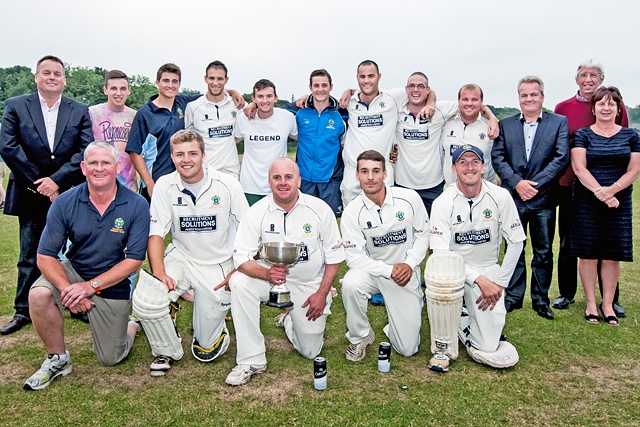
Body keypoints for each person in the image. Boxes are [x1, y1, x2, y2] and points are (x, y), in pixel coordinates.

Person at [22, 141, 149, 390]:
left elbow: (134, 260)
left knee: (111, 358)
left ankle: (132, 324)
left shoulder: (136, 204)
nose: (99, 168)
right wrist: (71, 289)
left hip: (112, 282)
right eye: (93, 163)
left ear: (117, 166)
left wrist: (89, 287)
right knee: (39, 294)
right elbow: (45, 255)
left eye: (105, 163)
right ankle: (58, 358)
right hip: (75, 272)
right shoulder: (65, 202)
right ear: (83, 167)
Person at [132, 129, 248, 376]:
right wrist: (159, 272)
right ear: (172, 157)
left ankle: (214, 328)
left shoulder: (227, 184)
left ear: (203, 155)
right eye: (180, 154)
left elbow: (246, 232)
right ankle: (166, 349)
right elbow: (156, 233)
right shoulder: (165, 184)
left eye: (192, 153)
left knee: (206, 349)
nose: (186, 159)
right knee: (151, 295)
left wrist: (237, 271)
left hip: (218, 264)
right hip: (181, 257)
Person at [225, 157, 344, 386]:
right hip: (271, 281)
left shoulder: (319, 209)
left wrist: (322, 293)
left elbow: (335, 256)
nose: (283, 182)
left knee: (310, 351)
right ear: (269, 181)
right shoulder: (257, 211)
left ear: (298, 181)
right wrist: (266, 274)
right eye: (277, 177)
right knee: (240, 282)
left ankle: (290, 320)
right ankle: (251, 359)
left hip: (309, 284)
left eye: (288, 177)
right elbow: (241, 257)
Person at [0, 55, 93, 335]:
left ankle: (75, 302)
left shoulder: (78, 109)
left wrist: (57, 180)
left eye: (57, 73)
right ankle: (23, 310)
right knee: (30, 253)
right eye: (46, 73)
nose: (52, 77)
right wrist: (42, 183)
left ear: (65, 79)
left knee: (78, 252)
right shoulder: (16, 106)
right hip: (30, 191)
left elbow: (84, 150)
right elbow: (8, 147)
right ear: (36, 77)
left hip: (69, 192)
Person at [428, 145, 525, 372]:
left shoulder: (500, 195)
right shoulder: (444, 201)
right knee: (443, 280)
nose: (469, 167)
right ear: (453, 168)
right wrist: (479, 279)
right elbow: (440, 254)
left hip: (489, 269)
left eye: (474, 161)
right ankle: (443, 345)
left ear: (483, 166)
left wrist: (500, 282)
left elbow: (517, 241)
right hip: (452, 271)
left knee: (488, 346)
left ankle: (463, 320)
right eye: (462, 162)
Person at [553, 60, 629, 317]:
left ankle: (611, 300)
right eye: (583, 75)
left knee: (609, 245)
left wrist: (612, 188)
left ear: (601, 79)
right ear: (576, 80)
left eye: (594, 75)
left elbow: (624, 142)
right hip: (570, 183)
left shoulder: (613, 104)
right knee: (569, 241)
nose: (588, 79)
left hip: (611, 184)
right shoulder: (563, 108)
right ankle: (567, 293)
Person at [491, 76, 570, 320]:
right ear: (519, 98)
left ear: (542, 97)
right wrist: (517, 183)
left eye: (533, 94)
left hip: (543, 199)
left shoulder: (558, 122)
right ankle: (514, 297)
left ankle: (540, 299)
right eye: (524, 95)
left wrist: (534, 185)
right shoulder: (506, 125)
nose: (529, 99)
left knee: (543, 252)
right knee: (514, 248)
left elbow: (561, 157)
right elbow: (498, 157)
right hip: (514, 199)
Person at [340, 150, 429, 361]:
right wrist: (388, 270)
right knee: (350, 284)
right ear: (357, 175)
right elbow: (353, 258)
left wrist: (408, 264)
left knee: (407, 349)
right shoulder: (352, 211)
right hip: (374, 272)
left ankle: (400, 317)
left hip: (405, 273)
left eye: (375, 171)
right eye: (364, 171)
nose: (370, 177)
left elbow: (423, 235)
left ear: (385, 174)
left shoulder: (408, 198)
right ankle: (360, 336)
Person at [570, 86, 639, 326]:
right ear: (594, 108)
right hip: (587, 200)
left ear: (618, 108)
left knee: (612, 254)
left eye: (611, 104)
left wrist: (612, 191)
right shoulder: (583, 134)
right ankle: (590, 303)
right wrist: (600, 192)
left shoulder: (630, 136)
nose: (606, 108)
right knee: (588, 253)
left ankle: (607, 304)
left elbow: (635, 169)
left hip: (618, 201)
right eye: (601, 104)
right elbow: (579, 168)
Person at [126, 63, 244, 201]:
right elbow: (134, 152)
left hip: (183, 180)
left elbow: (214, 92)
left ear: (179, 84)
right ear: (157, 82)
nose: (170, 85)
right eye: (166, 81)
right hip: (156, 182)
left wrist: (233, 93)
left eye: (174, 81)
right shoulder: (145, 113)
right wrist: (149, 182)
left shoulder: (183, 103)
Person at [389, 74, 498, 215]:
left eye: (421, 86)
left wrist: (492, 117)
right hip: (403, 184)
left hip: (434, 186)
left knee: (435, 232)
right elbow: (373, 93)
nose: (416, 89)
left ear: (428, 90)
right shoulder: (397, 109)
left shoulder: (441, 109)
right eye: (412, 86)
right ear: (406, 89)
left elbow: (472, 106)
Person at [281, 69, 347, 217]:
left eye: (324, 85)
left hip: (331, 180)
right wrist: (252, 105)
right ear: (310, 88)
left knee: (329, 222)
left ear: (331, 86)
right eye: (316, 85)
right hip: (304, 180)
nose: (320, 89)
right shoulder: (298, 110)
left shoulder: (343, 113)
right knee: (304, 221)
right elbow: (270, 110)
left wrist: (350, 90)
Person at [340, 60, 399, 206]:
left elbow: (423, 92)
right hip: (353, 173)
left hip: (381, 172)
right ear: (357, 78)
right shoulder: (349, 102)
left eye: (371, 76)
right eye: (362, 76)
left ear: (379, 76)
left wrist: (430, 103)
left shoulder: (393, 98)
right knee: (353, 221)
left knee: (385, 221)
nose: (366, 81)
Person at [234, 79, 298, 205]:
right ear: (254, 98)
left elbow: (302, 138)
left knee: (279, 223)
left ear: (276, 98)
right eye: (260, 96)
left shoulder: (287, 118)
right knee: (252, 224)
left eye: (269, 96)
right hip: (250, 186)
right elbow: (232, 142)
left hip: (279, 185)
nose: (265, 101)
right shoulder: (243, 119)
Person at [185, 60, 241, 180]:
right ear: (205, 79)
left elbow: (258, 108)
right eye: (211, 78)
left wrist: (253, 105)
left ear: (226, 80)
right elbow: (189, 141)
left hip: (230, 172)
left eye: (220, 79)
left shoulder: (237, 104)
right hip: (203, 171)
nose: (215, 83)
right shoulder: (193, 107)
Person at [89, 69, 138, 192]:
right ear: (105, 90)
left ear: (129, 90)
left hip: (128, 184)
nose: (118, 93)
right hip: (99, 181)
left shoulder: (135, 116)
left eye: (122, 88)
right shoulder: (92, 113)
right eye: (113, 88)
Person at [442, 84, 499, 187]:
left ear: (481, 102)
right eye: (465, 99)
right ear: (458, 101)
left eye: (474, 99)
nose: (469, 103)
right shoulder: (446, 123)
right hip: (451, 192)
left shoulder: (493, 126)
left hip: (485, 192)